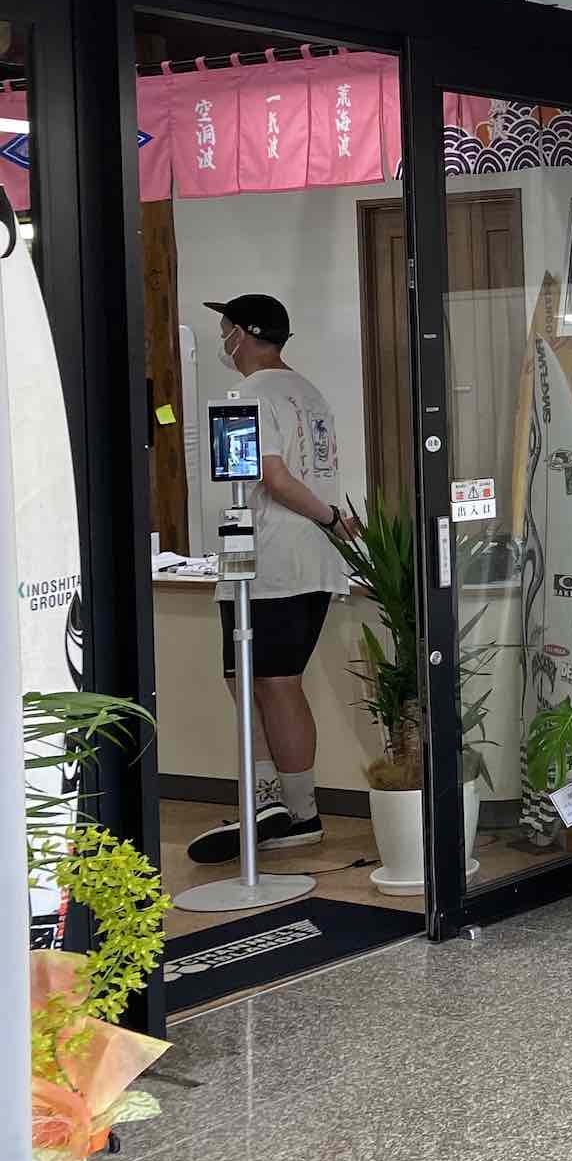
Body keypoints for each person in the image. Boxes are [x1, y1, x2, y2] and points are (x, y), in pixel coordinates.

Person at [187, 293, 358, 864]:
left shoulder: (248, 396)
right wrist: (331, 522)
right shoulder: (309, 393)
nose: (223, 340)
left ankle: (292, 810)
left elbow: (273, 476)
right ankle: (277, 806)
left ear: (241, 334)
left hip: (270, 561)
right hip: (313, 561)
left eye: (225, 329)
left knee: (267, 682)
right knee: (261, 680)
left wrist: (329, 517)